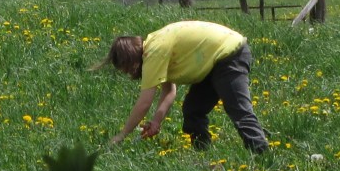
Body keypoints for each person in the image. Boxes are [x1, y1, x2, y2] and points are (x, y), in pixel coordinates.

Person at [97, 20, 268, 153]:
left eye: (126, 68)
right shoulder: (156, 46)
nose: (128, 73)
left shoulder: (154, 51)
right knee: (192, 111)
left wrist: (121, 136)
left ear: (131, 59)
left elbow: (144, 103)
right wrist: (156, 121)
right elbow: (169, 90)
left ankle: (262, 154)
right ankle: (203, 154)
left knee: (238, 109)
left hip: (230, 53)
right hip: (214, 62)